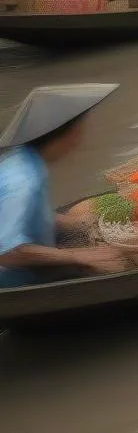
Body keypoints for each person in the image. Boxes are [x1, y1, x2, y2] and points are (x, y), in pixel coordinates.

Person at [0, 84, 126, 287]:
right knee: (113, 268)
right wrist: (78, 256)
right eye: (79, 130)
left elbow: (19, 216)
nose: (79, 140)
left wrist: (82, 223)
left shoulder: (24, 161)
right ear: (64, 133)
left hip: (21, 256)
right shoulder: (23, 179)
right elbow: (7, 251)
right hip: (12, 279)